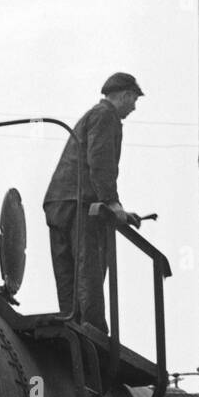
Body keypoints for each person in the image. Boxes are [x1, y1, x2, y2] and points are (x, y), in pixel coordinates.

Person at [43, 72, 143, 331]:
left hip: (58, 201)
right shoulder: (106, 116)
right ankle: (93, 329)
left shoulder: (92, 115)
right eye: (134, 100)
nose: (134, 107)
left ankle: (72, 323)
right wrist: (112, 203)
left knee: (67, 269)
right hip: (80, 201)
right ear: (125, 95)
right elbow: (100, 160)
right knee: (89, 265)